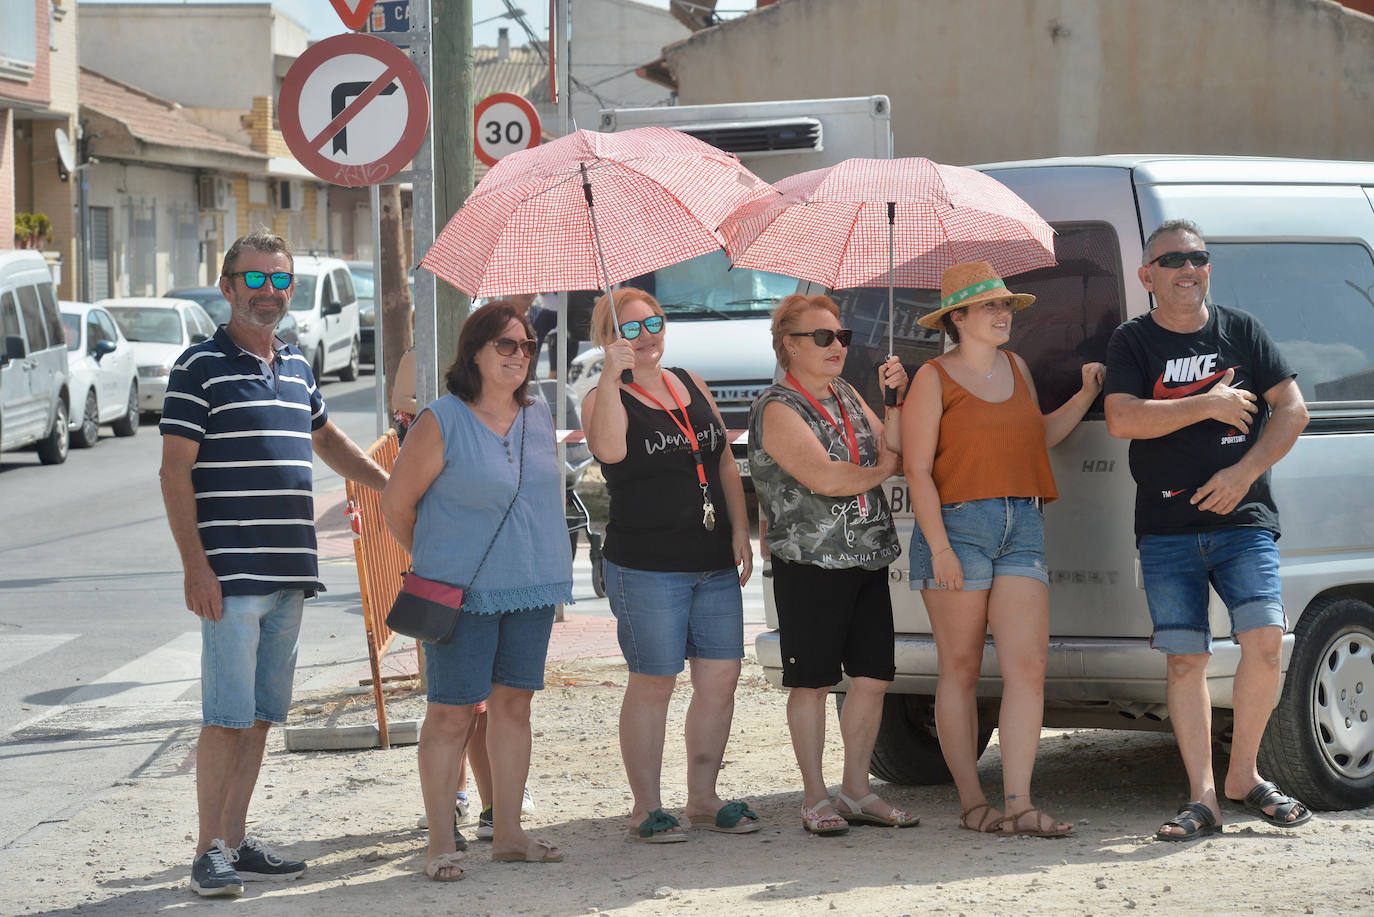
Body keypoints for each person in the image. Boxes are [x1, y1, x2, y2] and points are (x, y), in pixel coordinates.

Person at [159, 231, 389, 898]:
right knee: (226, 717)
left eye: (279, 280)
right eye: (254, 279)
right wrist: (195, 567)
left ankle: (234, 841)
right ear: (226, 287)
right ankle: (207, 853)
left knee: (261, 716)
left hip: (291, 573)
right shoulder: (197, 367)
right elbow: (174, 473)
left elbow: (328, 440)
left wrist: (392, 486)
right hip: (231, 577)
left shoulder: (296, 364)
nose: (267, 291)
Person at [1104, 219, 1312, 841]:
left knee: (1266, 641)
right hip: (1167, 528)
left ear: (1209, 267)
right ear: (1147, 276)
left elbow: (1293, 410)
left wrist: (1243, 474)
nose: (1187, 269)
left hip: (1243, 522)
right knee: (1186, 660)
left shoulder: (1240, 329)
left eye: (1197, 257)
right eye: (1172, 261)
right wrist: (1207, 404)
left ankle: (1244, 775)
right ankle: (1203, 797)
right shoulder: (1132, 340)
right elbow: (1121, 418)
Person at [901, 261, 1103, 838]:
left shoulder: (1017, 367)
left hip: (1023, 523)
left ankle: (1020, 804)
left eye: (1006, 304)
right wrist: (939, 547)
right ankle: (973, 803)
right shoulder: (932, 378)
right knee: (961, 669)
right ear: (957, 318)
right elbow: (916, 470)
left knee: (1027, 669)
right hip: (957, 527)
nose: (1002, 313)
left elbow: (1039, 437)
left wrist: (1086, 393)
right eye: (989, 305)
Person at [381, 300, 573, 880]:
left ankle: (508, 833)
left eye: (528, 346)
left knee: (514, 708)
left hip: (533, 587)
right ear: (475, 353)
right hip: (460, 594)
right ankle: (441, 842)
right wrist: (440, 560)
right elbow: (397, 506)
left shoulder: (540, 413)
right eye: (506, 344)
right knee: (451, 714)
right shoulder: (441, 419)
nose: (520, 355)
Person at [581, 288, 759, 843]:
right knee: (655, 681)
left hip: (712, 560)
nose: (647, 336)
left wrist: (739, 529)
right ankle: (647, 808)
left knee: (721, 678)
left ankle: (703, 799)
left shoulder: (690, 381)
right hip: (647, 566)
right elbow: (610, 451)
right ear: (608, 339)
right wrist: (611, 376)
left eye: (653, 323)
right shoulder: (603, 396)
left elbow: (722, 460)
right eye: (630, 329)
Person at [748, 293, 910, 837]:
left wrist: (894, 401)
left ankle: (857, 790)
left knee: (873, 678)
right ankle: (815, 797)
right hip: (810, 563)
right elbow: (827, 478)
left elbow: (892, 446)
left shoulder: (845, 392)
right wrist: (881, 469)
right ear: (789, 346)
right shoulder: (777, 406)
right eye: (822, 337)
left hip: (866, 555)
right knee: (814, 684)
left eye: (842, 336)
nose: (837, 345)